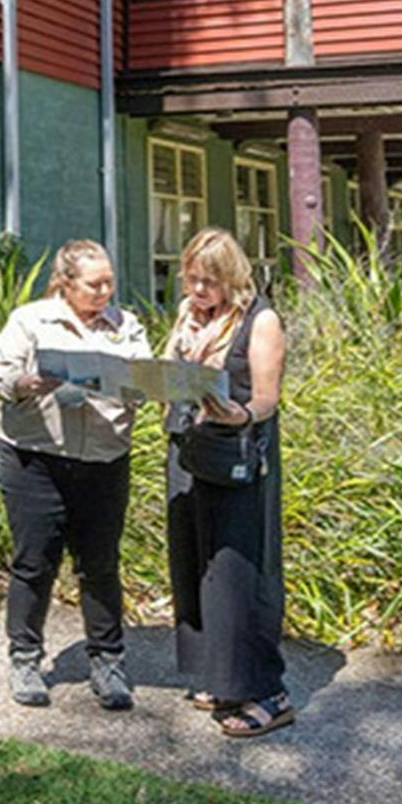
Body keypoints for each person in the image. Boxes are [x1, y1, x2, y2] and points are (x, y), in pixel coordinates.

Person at [0, 239, 151, 710]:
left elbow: (143, 380)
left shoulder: (127, 325)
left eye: (110, 283)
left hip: (103, 459)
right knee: (34, 561)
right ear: (66, 282)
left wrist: (133, 383)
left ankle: (108, 660)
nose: (105, 292)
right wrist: (27, 383)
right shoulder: (30, 320)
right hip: (36, 458)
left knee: (100, 564)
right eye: (95, 284)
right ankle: (25, 657)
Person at [163, 227, 293, 739]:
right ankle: (222, 678)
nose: (197, 291)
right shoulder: (191, 317)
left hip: (237, 455)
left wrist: (240, 413)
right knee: (198, 566)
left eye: (208, 283)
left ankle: (267, 693)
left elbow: (267, 398)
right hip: (189, 451)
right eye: (191, 280)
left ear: (231, 278)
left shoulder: (260, 320)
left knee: (240, 571)